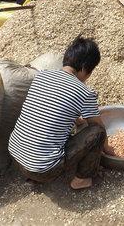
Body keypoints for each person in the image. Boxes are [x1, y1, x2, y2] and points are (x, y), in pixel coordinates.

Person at [9, 37, 113, 189]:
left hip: (16, 158)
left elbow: (56, 108)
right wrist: (108, 149)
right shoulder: (84, 92)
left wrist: (79, 122)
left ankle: (33, 174)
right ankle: (81, 180)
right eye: (91, 71)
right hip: (43, 170)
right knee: (97, 132)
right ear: (85, 68)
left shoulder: (42, 76)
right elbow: (97, 125)